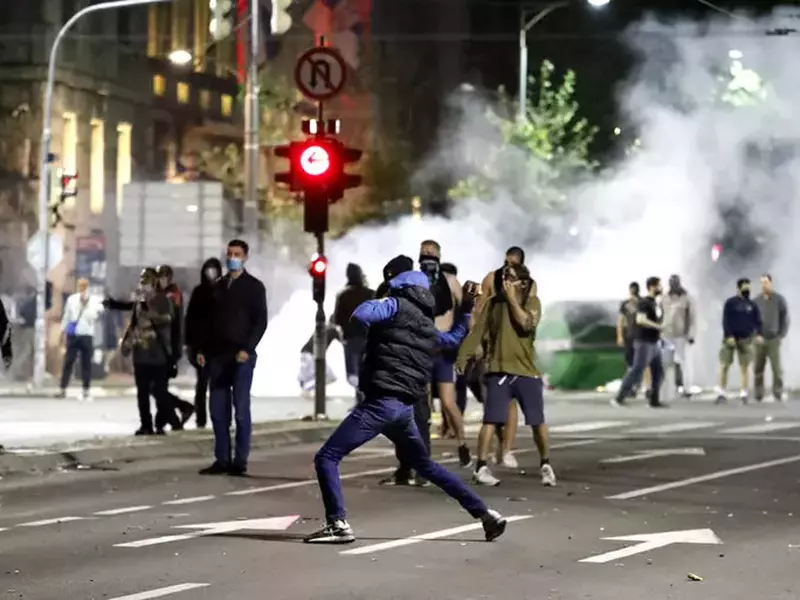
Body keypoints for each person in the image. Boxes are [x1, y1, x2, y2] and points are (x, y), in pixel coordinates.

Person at [304, 257, 507, 544]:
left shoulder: (394, 305)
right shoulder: (426, 325)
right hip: (404, 409)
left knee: (327, 457)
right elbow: (454, 338)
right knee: (425, 465)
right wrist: (465, 309)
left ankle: (337, 524)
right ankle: (486, 514)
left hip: (380, 403)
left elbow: (361, 313)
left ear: (399, 286)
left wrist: (382, 303)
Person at [458, 263, 555, 487]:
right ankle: (481, 467)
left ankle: (545, 464)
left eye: (510, 278)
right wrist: (462, 357)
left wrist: (512, 299)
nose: (505, 282)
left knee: (537, 421)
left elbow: (526, 324)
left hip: (526, 372)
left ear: (523, 282)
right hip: (498, 371)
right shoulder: (493, 304)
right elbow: (477, 332)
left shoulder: (532, 302)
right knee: (490, 420)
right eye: (504, 277)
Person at [198, 240, 268, 476]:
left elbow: (260, 321)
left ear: (245, 257)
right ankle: (222, 459)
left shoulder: (254, 287)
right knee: (218, 411)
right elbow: (207, 322)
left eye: (237, 254)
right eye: (229, 254)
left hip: (241, 356)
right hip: (218, 356)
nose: (232, 258)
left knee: (241, 409)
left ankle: (240, 460)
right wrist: (203, 350)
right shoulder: (218, 287)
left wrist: (248, 348)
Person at [418, 240, 471, 467]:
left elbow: (466, 311)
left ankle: (462, 443)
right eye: (424, 252)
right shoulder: (414, 280)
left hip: (443, 350)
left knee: (449, 402)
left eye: (431, 252)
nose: (427, 255)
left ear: (439, 255)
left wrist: (464, 340)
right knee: (423, 403)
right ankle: (422, 451)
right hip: (421, 349)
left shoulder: (450, 281)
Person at [474, 246, 527, 467]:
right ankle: (498, 442)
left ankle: (506, 449)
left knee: (511, 401)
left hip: (513, 349)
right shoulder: (491, 279)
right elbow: (478, 310)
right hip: (491, 349)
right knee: (492, 401)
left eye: (513, 264)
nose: (509, 268)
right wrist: (477, 342)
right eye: (507, 262)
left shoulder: (526, 283)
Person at [120, 268, 185, 435]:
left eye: (147, 281)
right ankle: (146, 425)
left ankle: (172, 421)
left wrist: (151, 316)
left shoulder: (163, 300)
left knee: (159, 393)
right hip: (141, 355)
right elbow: (133, 325)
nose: (144, 285)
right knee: (142, 393)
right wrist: (127, 343)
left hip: (158, 356)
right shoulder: (138, 303)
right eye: (142, 281)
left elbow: (169, 319)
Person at [612, 276, 667, 409]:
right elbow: (640, 320)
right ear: (652, 287)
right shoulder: (644, 303)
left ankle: (654, 400)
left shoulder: (655, 303)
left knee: (658, 372)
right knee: (637, 370)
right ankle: (619, 398)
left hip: (654, 342)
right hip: (644, 342)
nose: (662, 288)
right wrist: (658, 326)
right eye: (659, 285)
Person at [184, 258, 222, 428]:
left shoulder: (224, 291)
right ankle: (201, 419)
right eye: (209, 270)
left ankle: (218, 417)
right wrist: (190, 344)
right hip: (201, 347)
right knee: (202, 383)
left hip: (219, 347)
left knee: (217, 385)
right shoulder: (199, 292)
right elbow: (190, 319)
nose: (211, 273)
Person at [716, 278, 763, 404]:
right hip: (730, 339)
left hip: (746, 339)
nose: (747, 290)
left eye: (748, 287)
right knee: (724, 365)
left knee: (745, 367)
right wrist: (729, 336)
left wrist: (758, 334)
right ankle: (721, 392)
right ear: (738, 288)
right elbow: (726, 321)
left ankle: (744, 393)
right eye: (745, 287)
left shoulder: (752, 305)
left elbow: (758, 321)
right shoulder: (730, 303)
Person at [58, 278, 103, 400]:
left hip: (87, 334)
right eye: (80, 285)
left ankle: (86, 389)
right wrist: (62, 331)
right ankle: (63, 388)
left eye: (84, 286)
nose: (82, 288)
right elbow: (67, 316)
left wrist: (87, 306)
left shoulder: (94, 300)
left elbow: (96, 314)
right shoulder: (72, 299)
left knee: (86, 363)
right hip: (74, 334)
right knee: (68, 361)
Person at [332, 263, 374, 388]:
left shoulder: (343, 296)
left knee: (353, 374)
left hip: (351, 338)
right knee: (367, 371)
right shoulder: (371, 294)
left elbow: (337, 320)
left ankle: (359, 393)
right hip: (369, 338)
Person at [753, 274, 789, 402]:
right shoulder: (756, 301)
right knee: (758, 368)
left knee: (776, 368)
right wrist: (756, 335)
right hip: (760, 339)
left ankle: (777, 392)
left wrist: (781, 335)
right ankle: (758, 393)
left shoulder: (779, 300)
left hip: (774, 339)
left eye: (766, 283)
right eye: (762, 283)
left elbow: (784, 319)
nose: (764, 285)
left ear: (771, 284)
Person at [660, 274, 696, 398]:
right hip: (666, 334)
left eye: (675, 282)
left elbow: (692, 318)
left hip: (681, 335)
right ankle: (665, 389)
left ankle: (687, 388)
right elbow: (661, 315)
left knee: (684, 362)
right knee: (666, 362)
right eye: (671, 283)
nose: (673, 285)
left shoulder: (687, 298)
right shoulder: (664, 298)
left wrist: (691, 334)